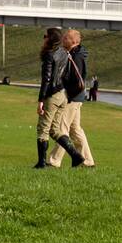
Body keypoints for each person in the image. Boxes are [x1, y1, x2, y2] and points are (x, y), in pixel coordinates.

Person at [34, 27, 84, 168]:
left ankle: (41, 163)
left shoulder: (49, 55)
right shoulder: (64, 53)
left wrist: (41, 100)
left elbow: (47, 79)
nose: (43, 39)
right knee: (55, 130)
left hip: (52, 95)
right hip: (63, 95)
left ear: (50, 39)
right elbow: (66, 75)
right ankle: (76, 156)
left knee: (43, 128)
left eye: (45, 36)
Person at [48, 29, 95, 168]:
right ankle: (87, 161)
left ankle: (54, 161)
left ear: (74, 41)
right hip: (76, 97)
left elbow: (77, 80)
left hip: (72, 97)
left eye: (66, 38)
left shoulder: (76, 57)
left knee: (62, 128)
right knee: (76, 130)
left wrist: (68, 95)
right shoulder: (74, 54)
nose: (63, 40)